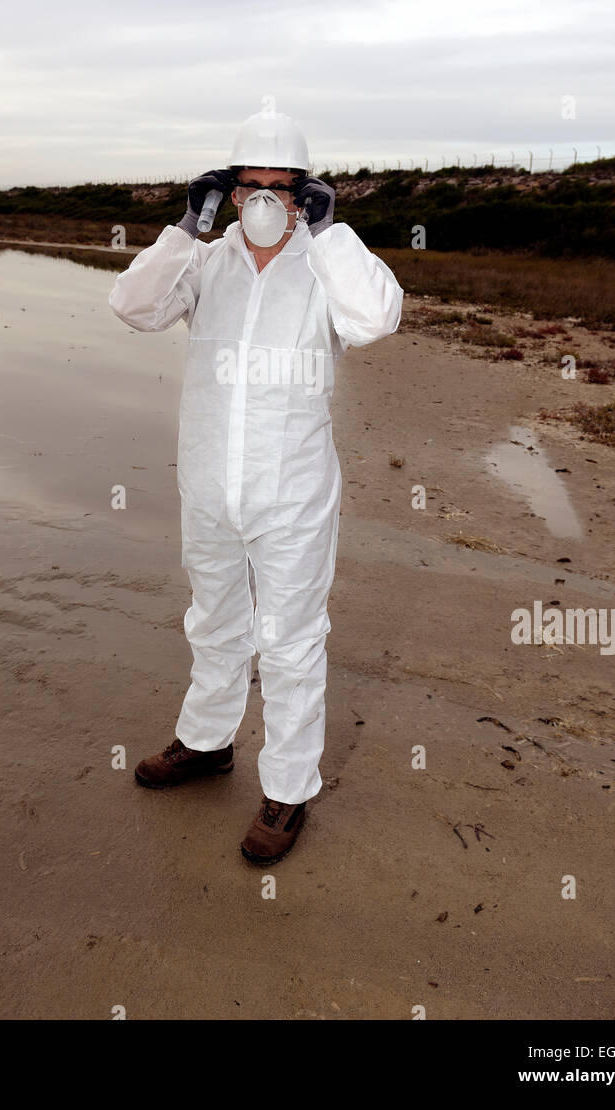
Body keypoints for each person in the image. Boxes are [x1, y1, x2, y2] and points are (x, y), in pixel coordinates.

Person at [108, 108, 403, 863]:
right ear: (231, 192)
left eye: (283, 188)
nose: (266, 200)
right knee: (212, 619)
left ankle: (288, 790)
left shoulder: (324, 264)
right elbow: (133, 306)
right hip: (209, 482)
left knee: (292, 641)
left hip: (293, 493)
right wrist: (184, 225)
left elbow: (374, 319)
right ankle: (206, 743)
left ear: (305, 194)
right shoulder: (205, 265)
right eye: (250, 187)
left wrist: (333, 234)